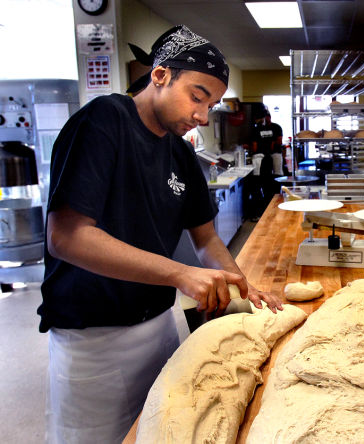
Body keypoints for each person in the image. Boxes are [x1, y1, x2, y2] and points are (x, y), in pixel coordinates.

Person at [37, 25, 282, 443]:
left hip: (159, 328)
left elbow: (205, 239)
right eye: (198, 96)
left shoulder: (179, 151)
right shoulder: (103, 122)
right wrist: (179, 274)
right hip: (94, 339)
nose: (202, 115)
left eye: (213, 103)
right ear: (161, 75)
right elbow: (68, 237)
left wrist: (241, 283)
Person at [250, 109, 283, 217]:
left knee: (259, 183)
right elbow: (278, 142)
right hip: (270, 157)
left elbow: (255, 146)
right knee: (273, 180)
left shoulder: (256, 129)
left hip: (261, 158)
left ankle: (260, 211)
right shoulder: (276, 127)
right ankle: (274, 204)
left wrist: (251, 148)